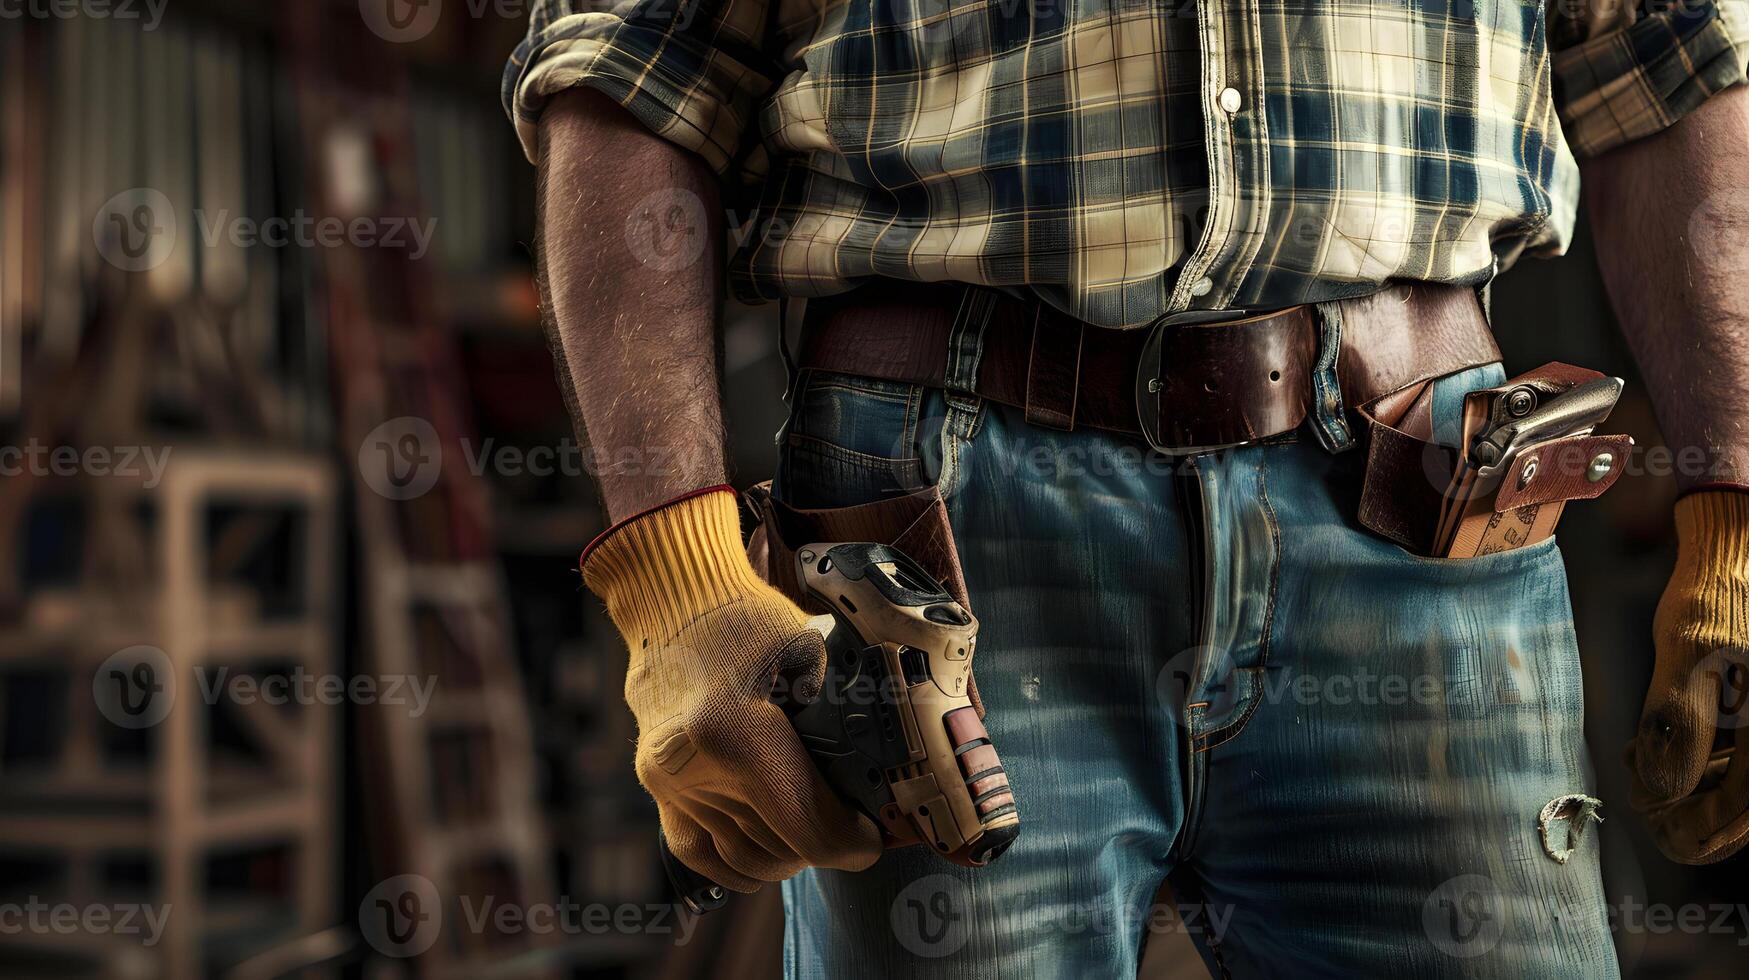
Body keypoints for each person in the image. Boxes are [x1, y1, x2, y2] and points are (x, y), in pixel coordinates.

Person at [504, 0, 1749, 974]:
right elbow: (632, 69)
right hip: (938, 540)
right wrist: (676, 584)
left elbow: (1671, 58)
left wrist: (1738, 522)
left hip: (1425, 501)